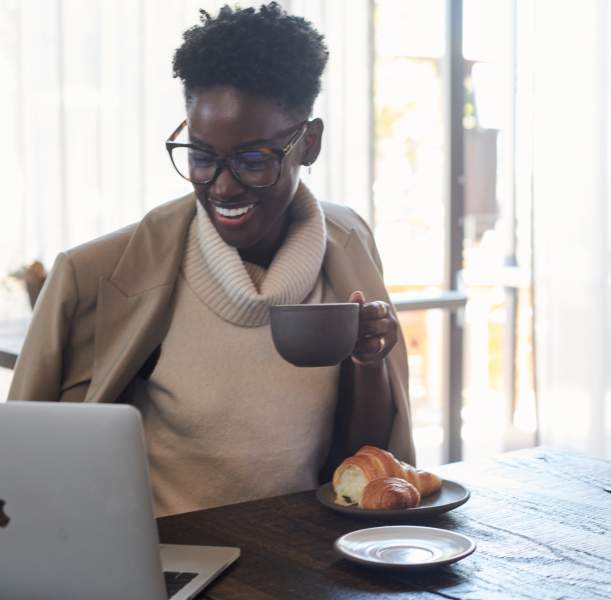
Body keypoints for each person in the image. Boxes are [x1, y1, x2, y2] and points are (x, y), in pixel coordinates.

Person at [8, 3, 413, 517]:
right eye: (201, 156)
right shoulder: (100, 274)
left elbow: (359, 474)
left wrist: (369, 363)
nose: (221, 186)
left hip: (304, 567)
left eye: (252, 160)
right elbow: (23, 478)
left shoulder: (350, 245)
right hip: (163, 569)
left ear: (308, 143)